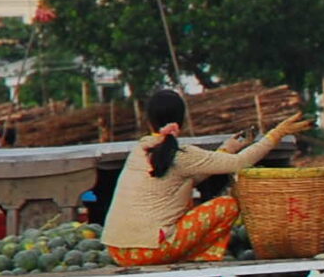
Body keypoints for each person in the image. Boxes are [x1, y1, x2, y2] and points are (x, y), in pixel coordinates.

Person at [100, 89, 308, 266]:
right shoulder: (182, 155)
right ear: (181, 120)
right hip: (150, 251)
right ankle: (200, 256)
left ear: (149, 121)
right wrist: (276, 134)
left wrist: (232, 145)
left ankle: (188, 253)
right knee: (227, 205)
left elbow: (197, 171)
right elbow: (241, 163)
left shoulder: (141, 148)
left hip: (118, 252)